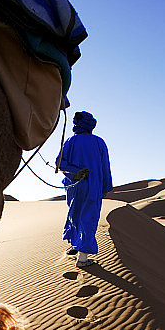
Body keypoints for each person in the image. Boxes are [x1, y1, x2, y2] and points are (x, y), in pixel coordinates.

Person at [58, 111, 113, 267]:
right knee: (88, 217)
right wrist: (106, 188)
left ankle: (75, 245)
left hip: (74, 186)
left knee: (74, 214)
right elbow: (105, 167)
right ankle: (82, 258)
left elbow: (60, 163)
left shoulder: (70, 141)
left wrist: (74, 173)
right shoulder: (99, 142)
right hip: (92, 185)